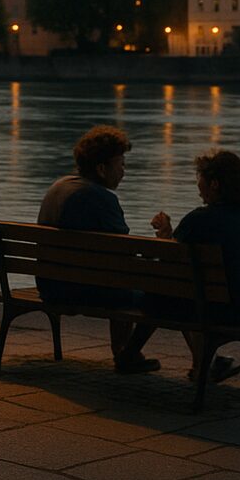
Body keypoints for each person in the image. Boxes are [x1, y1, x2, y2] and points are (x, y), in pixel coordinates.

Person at [150, 149, 240, 385]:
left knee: (188, 291)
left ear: (214, 184)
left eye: (200, 179)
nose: (198, 186)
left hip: (211, 312)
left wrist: (165, 234)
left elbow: (170, 264)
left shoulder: (198, 219)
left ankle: (202, 365)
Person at [37, 126, 159, 373]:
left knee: (116, 278)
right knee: (160, 294)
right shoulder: (101, 199)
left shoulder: (59, 186)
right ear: (102, 169)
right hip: (79, 290)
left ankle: (124, 352)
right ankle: (126, 353)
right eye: (121, 164)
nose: (124, 171)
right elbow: (125, 256)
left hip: (50, 285)